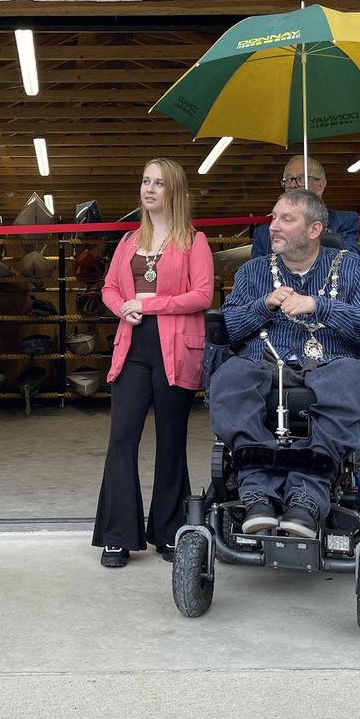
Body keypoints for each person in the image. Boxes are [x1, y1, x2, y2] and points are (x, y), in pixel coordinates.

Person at [209, 189, 360, 539]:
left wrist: (320, 306)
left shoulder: (350, 267)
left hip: (332, 364)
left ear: (314, 229)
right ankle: (257, 495)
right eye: (273, 217)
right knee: (229, 376)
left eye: (286, 219)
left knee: (352, 377)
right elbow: (225, 331)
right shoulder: (252, 273)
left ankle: (306, 497)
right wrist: (263, 306)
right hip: (266, 364)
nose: (273, 226)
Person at [92, 158, 215, 567]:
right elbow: (109, 286)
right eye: (145, 181)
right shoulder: (128, 241)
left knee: (171, 439)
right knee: (122, 437)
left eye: (159, 183)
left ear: (173, 191)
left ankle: (168, 531)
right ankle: (117, 535)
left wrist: (152, 303)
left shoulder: (193, 241)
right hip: (133, 346)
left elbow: (203, 295)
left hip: (176, 348)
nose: (149, 189)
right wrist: (121, 308)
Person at [250, 155, 360, 257]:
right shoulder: (263, 233)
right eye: (288, 179)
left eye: (300, 179)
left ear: (321, 185)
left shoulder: (344, 221)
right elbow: (255, 275)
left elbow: (352, 265)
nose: (292, 185)